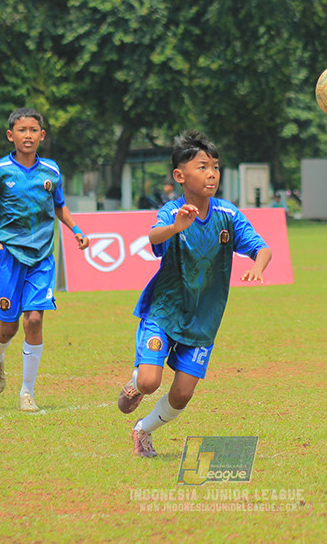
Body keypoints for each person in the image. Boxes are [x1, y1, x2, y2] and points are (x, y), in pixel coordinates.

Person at [115, 130, 272, 458]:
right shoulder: (172, 212)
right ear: (180, 175)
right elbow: (154, 237)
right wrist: (176, 227)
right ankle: (135, 382)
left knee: (182, 395)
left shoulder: (227, 214)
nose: (211, 174)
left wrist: (258, 266)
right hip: (164, 312)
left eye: (215, 167)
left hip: (203, 321)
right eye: (202, 167)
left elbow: (262, 248)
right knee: (148, 382)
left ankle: (143, 429)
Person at [0, 108, 90, 413]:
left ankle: (26, 393)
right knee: (8, 328)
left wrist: (75, 229)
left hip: (42, 257)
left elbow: (59, 206)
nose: (28, 135)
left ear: (42, 135)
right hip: (7, 257)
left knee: (34, 320)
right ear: (11, 135)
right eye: (22, 130)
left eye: (34, 130)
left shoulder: (51, 171)